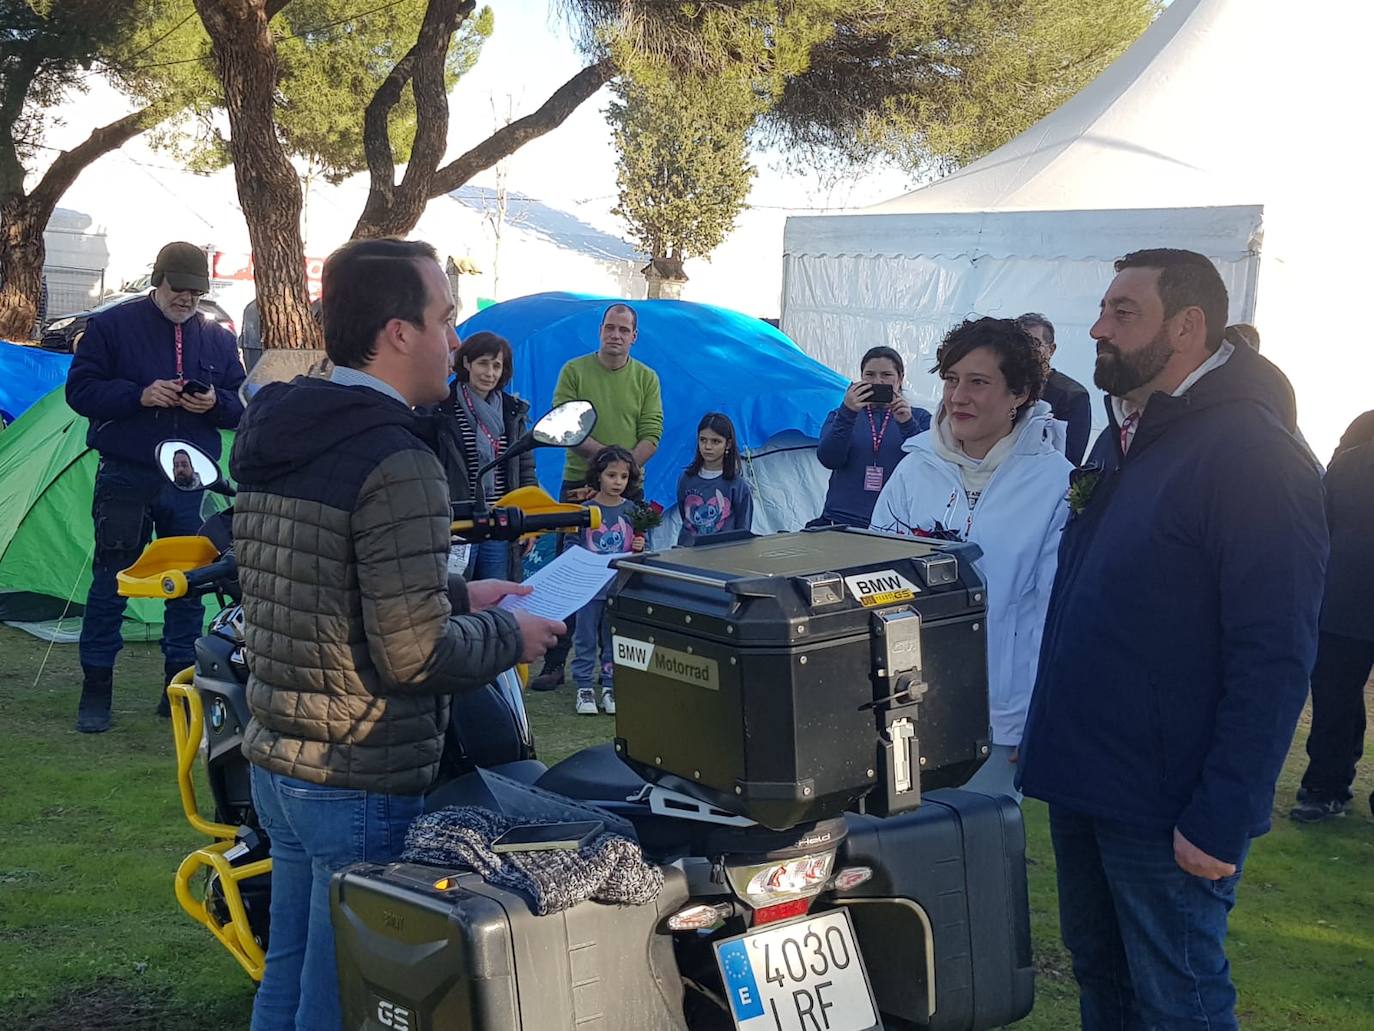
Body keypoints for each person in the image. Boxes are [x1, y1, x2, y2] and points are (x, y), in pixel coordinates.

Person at [229, 237, 565, 1031]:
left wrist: (457, 589)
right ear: (397, 332)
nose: (456, 341)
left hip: (282, 754)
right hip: (358, 770)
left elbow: (328, 578)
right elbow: (414, 654)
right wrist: (507, 636)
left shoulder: (286, 428)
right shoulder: (396, 458)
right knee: (343, 995)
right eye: (445, 319)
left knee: (291, 974)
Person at [1017, 248, 1328, 1030]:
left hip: (1168, 803)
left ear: (1187, 327)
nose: (1098, 328)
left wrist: (1225, 810)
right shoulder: (1126, 435)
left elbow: (1276, 652)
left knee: (1177, 998)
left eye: (1124, 312)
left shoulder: (1253, 451)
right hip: (1088, 778)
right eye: (1103, 309)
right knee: (1104, 984)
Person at [870, 318, 1070, 800]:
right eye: (951, 379)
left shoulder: (1055, 484)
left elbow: (1054, 613)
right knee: (896, 856)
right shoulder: (914, 469)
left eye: (978, 382)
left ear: (1019, 393)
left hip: (998, 719)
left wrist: (1032, 716)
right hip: (905, 706)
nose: (958, 397)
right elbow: (873, 582)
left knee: (976, 856)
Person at [65, 241, 246, 732]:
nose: (187, 299)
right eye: (179, 289)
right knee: (112, 580)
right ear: (158, 280)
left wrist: (213, 404)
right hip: (127, 472)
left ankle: (178, 689)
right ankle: (96, 691)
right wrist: (139, 395)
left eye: (196, 292)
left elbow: (238, 405)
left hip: (190, 479)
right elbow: (79, 392)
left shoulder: (217, 338)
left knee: (189, 585)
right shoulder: (112, 326)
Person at [529, 303, 663, 691]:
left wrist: (621, 473)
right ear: (600, 331)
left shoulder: (647, 378)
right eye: (610, 328)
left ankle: (625, 663)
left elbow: (652, 430)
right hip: (578, 487)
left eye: (624, 329)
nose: (616, 335)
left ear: (634, 336)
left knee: (628, 577)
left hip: (630, 489)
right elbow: (565, 423)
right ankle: (555, 662)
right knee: (568, 574)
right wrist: (605, 468)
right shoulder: (574, 370)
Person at [1290, 410, 1374, 821]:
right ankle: (1325, 786)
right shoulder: (1350, 464)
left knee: (1335, 700)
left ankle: (1324, 789)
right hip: (1344, 599)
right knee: (1335, 700)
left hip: (1343, 599)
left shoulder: (1347, 463)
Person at [437, 330, 538, 580]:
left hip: (500, 521)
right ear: (466, 363)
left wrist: (529, 523)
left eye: (496, 365)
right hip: (458, 525)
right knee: (457, 597)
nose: (489, 373)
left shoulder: (512, 412)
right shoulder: (443, 408)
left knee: (496, 599)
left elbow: (525, 469)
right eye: (483, 363)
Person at [814, 346, 932, 528]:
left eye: (886, 375)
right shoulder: (841, 415)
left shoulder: (920, 418)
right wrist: (848, 413)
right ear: (861, 378)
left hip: (897, 522)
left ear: (900, 379)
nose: (878, 381)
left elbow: (927, 466)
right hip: (843, 519)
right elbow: (829, 459)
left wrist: (907, 424)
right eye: (870, 375)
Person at [567, 445, 645, 716]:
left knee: (613, 639)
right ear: (598, 475)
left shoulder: (633, 510)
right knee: (585, 637)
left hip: (617, 588)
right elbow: (571, 544)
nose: (617, 482)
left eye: (623, 477)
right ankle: (584, 687)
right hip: (588, 590)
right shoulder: (584, 510)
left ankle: (610, 685)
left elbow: (643, 548)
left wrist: (639, 545)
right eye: (612, 475)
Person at [1018, 312, 1093, 465]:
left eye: (1035, 344)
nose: (1026, 350)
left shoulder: (1072, 395)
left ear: (1051, 350)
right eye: (1019, 343)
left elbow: (1069, 459)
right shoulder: (1000, 387)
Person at [676, 412, 753, 545]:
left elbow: (743, 528)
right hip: (687, 551)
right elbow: (685, 515)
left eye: (715, 441)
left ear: (728, 444)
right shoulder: (686, 479)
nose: (708, 447)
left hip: (723, 554)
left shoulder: (737, 485)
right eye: (703, 440)